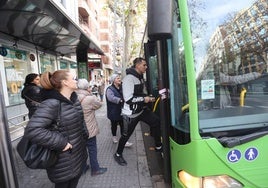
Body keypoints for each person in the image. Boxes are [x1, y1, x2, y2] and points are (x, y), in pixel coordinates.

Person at [24, 70, 88, 188]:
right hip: (62, 161)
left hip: (78, 155)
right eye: (74, 78)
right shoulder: (51, 103)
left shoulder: (74, 99)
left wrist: (85, 135)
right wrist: (61, 143)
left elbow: (80, 121)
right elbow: (32, 130)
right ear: (65, 83)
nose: (76, 81)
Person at [113, 57, 162, 166]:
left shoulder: (139, 77)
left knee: (156, 121)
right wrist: (145, 99)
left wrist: (147, 97)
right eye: (144, 65)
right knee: (125, 136)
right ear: (138, 65)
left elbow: (139, 93)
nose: (146, 67)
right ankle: (117, 154)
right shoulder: (128, 79)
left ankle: (158, 146)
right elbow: (128, 99)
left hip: (141, 111)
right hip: (130, 114)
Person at [76, 79, 107, 176]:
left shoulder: (73, 96)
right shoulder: (90, 98)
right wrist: (92, 95)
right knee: (92, 149)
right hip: (89, 128)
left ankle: (83, 168)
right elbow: (99, 105)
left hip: (77, 128)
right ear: (87, 87)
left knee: (81, 149)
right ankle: (95, 169)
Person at [105, 74, 133, 147]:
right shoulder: (109, 89)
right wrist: (120, 100)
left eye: (119, 78)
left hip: (122, 111)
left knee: (123, 126)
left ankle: (124, 141)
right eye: (118, 78)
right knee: (114, 125)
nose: (120, 79)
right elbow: (110, 98)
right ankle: (114, 136)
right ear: (114, 80)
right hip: (113, 111)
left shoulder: (122, 87)